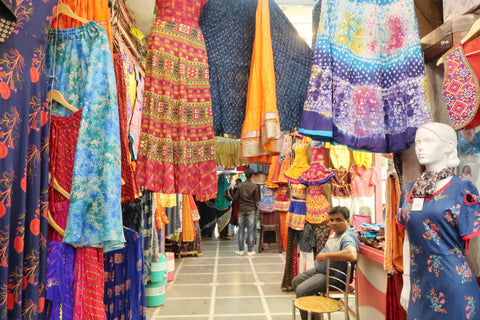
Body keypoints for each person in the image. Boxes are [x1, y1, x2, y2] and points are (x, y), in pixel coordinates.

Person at [398, 122, 480, 320]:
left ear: (448, 147)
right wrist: (406, 281)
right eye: (417, 142)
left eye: (428, 141)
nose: (420, 147)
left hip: (454, 286)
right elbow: (409, 238)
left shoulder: (463, 190)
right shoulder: (409, 191)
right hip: (419, 287)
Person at [291, 206, 359, 320]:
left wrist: (325, 255)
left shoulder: (347, 236)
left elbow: (352, 255)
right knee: (295, 282)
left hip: (333, 277)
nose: (334, 223)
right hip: (323, 271)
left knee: (301, 290)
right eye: (332, 220)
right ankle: (315, 316)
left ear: (347, 221)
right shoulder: (336, 234)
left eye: (338, 220)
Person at [232, 168, 260, 256]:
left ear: (245, 175)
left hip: (241, 209)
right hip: (251, 209)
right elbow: (257, 199)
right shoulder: (255, 186)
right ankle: (250, 251)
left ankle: (240, 250)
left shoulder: (240, 185)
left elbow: (236, 197)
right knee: (250, 230)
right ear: (252, 176)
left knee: (241, 230)